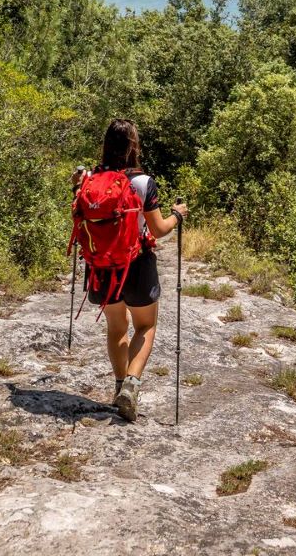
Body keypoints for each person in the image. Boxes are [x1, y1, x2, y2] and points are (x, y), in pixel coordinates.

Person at [71, 118, 188, 423]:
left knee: (116, 328)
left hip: (102, 266)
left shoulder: (88, 180)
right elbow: (159, 229)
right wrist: (177, 215)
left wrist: (76, 185)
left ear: (106, 145)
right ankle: (132, 386)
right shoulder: (142, 182)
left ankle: (120, 385)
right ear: (134, 145)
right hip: (136, 263)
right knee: (146, 326)